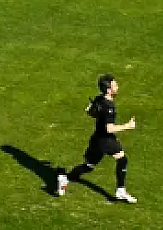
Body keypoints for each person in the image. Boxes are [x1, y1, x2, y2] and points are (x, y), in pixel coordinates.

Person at [55, 74, 137, 204]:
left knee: (89, 166)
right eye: (115, 85)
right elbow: (109, 129)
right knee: (122, 159)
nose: (117, 87)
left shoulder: (99, 99)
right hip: (105, 139)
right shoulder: (109, 107)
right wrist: (127, 126)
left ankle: (65, 178)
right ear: (109, 89)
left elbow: (89, 111)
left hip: (96, 139)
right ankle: (120, 190)